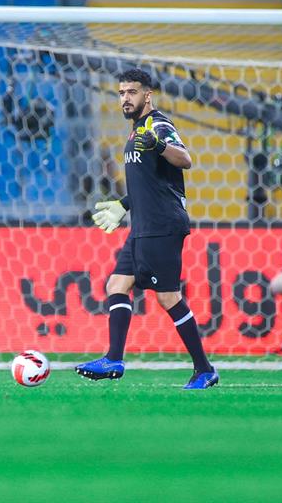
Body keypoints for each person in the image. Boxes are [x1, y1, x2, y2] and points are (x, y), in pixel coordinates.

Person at [75, 69, 218, 390]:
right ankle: (113, 359)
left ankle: (204, 369)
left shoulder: (157, 125)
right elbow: (151, 181)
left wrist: (157, 143)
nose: (126, 98)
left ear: (147, 95)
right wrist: (124, 204)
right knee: (117, 284)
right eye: (122, 93)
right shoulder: (136, 130)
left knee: (168, 298)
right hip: (143, 224)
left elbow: (185, 160)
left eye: (132, 92)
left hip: (162, 225)